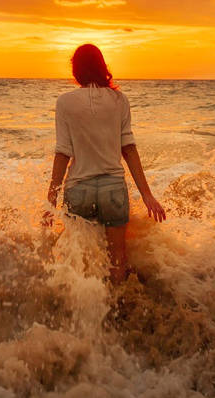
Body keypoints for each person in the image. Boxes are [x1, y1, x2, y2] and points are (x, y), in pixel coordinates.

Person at [47, 44, 166, 283]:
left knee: (77, 257)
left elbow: (63, 153)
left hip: (79, 190)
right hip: (113, 191)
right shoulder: (119, 100)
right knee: (118, 257)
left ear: (76, 70)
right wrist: (147, 195)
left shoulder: (65, 102)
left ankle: (82, 307)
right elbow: (129, 148)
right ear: (103, 67)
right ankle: (116, 310)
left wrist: (50, 198)